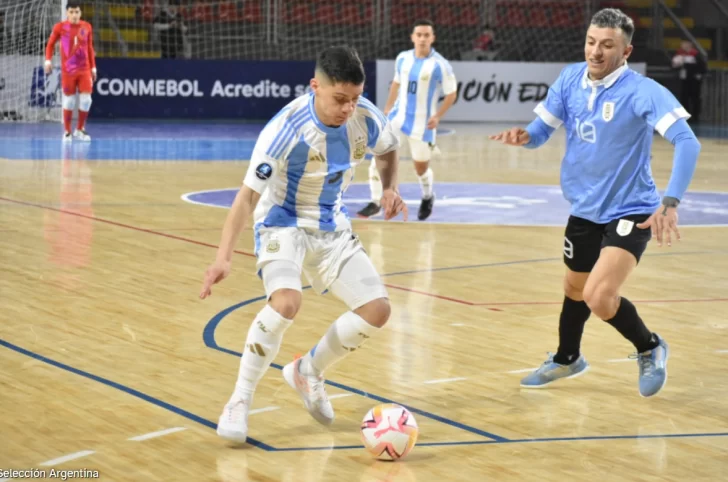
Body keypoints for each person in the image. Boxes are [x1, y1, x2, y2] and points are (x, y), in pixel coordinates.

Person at [200, 45, 408, 443]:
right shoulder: (284, 131)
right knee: (286, 303)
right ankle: (239, 400)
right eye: (339, 99)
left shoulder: (366, 117)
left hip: (332, 227)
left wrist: (390, 188)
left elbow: (389, 147)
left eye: (355, 98)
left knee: (378, 310)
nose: (348, 108)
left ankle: (307, 371)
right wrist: (223, 258)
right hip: (283, 226)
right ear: (315, 86)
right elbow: (246, 197)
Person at [490, 8, 701, 397]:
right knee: (574, 289)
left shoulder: (642, 91)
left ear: (626, 50)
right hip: (584, 210)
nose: (596, 51)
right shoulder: (570, 78)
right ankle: (568, 358)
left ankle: (650, 347)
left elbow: (687, 141)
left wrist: (670, 203)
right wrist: (525, 136)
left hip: (631, 210)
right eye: (591, 42)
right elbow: (541, 131)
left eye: (607, 45)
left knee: (598, 296)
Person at [357, 19, 457, 221]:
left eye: (426, 35)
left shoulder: (440, 65)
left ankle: (428, 196)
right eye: (418, 34)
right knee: (379, 160)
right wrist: (387, 108)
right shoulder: (402, 58)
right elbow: (396, 83)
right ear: (412, 37)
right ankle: (376, 201)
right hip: (397, 120)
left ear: (432, 38)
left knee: (420, 168)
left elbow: (451, 93)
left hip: (423, 126)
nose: (422, 38)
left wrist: (437, 116)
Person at [44, 2, 96, 141]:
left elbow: (90, 48)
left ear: (80, 13)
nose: (74, 15)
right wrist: (48, 61)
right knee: (69, 102)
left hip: (84, 70)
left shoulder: (87, 27)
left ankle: (79, 129)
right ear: (67, 13)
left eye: (77, 12)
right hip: (68, 71)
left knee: (86, 100)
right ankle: (67, 131)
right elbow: (50, 45)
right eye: (71, 12)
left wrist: (93, 67)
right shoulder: (60, 27)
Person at [671, 40, 707, 125]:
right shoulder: (679, 54)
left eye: (685, 44)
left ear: (690, 45)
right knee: (684, 98)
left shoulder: (696, 55)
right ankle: (685, 116)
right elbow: (673, 66)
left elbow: (702, 67)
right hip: (684, 80)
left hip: (694, 80)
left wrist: (698, 74)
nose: (683, 46)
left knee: (695, 98)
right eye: (682, 44)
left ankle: (695, 116)